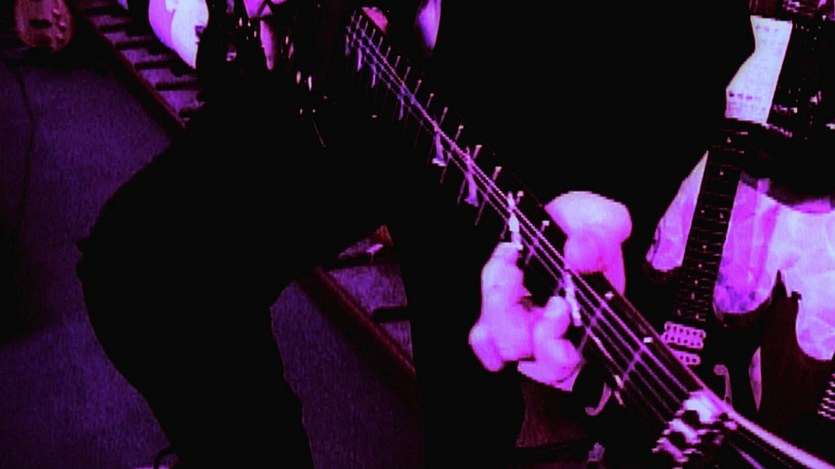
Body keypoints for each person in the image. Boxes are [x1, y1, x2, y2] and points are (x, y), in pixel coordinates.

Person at [75, 0, 754, 467]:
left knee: (467, 406)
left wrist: (609, 187)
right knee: (144, 267)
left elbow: (705, 29)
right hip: (350, 60)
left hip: (519, 110)